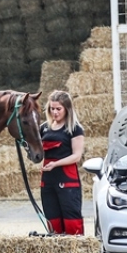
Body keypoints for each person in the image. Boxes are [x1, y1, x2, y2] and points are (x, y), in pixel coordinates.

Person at [39, 91, 85, 235]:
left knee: (71, 219)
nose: (55, 112)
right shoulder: (44, 128)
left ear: (67, 109)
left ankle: (75, 251)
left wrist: (56, 164)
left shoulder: (74, 129)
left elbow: (76, 156)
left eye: (58, 109)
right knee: (52, 218)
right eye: (52, 109)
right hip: (47, 181)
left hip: (67, 181)